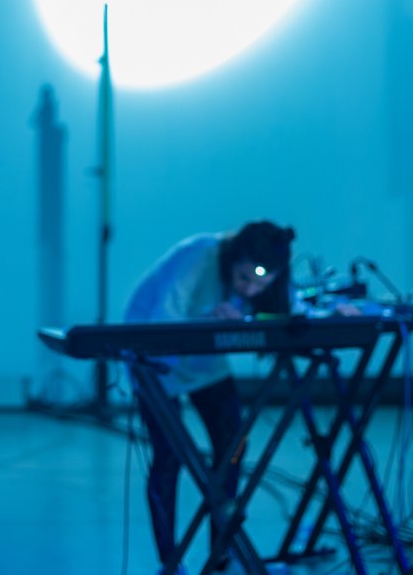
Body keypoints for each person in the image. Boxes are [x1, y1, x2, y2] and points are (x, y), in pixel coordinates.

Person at [125, 220, 296, 575]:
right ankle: (169, 558)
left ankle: (221, 549)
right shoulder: (198, 255)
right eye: (244, 278)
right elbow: (162, 320)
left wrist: (244, 313)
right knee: (168, 455)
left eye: (261, 283)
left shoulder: (262, 280)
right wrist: (208, 317)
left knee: (233, 445)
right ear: (234, 257)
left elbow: (282, 309)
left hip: (204, 360)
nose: (250, 288)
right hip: (154, 357)